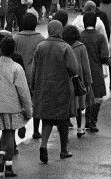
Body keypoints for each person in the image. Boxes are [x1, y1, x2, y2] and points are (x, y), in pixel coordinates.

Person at [0, 36, 32, 178]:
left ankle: (1, 153)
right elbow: (24, 92)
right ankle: (9, 165)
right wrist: (28, 111)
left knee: (4, 132)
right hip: (12, 106)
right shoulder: (17, 68)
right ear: (13, 51)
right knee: (10, 133)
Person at [31, 21, 79, 163]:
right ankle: (63, 150)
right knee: (63, 120)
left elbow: (34, 69)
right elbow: (73, 69)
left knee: (47, 119)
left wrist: (33, 87)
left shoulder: (40, 47)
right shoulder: (65, 47)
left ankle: (44, 145)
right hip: (61, 87)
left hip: (44, 87)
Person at [61, 26, 92, 138]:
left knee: (66, 104)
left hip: (65, 79)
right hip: (78, 80)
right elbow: (86, 66)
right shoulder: (81, 46)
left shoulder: (62, 46)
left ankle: (66, 126)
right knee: (78, 105)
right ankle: (79, 128)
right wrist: (88, 82)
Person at [79, 13, 108, 132]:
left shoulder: (80, 36)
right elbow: (104, 56)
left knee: (86, 96)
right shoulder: (100, 37)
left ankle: (86, 120)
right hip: (96, 70)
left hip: (82, 70)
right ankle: (92, 121)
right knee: (96, 97)